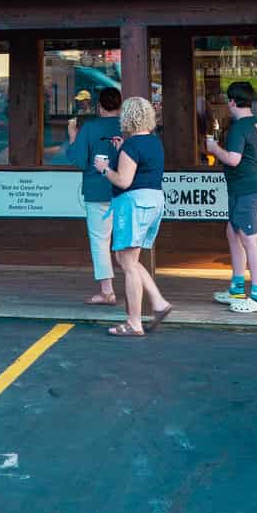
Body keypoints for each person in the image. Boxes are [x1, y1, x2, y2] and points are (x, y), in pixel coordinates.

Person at [96, 95, 172, 338]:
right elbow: (143, 168)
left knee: (128, 264)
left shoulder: (131, 145)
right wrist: (122, 152)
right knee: (127, 258)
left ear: (127, 117)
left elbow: (124, 180)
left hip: (133, 204)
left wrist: (105, 169)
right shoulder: (154, 142)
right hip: (154, 201)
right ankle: (158, 303)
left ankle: (134, 322)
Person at [206, 81, 257, 313]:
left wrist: (214, 149)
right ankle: (236, 288)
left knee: (249, 239)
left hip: (246, 189)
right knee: (233, 232)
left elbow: (233, 159)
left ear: (232, 101)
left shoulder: (239, 127)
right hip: (251, 185)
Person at [64, 86, 123, 304]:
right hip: (125, 190)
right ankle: (136, 284)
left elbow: (77, 160)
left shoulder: (89, 128)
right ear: (120, 105)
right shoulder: (127, 127)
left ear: (99, 107)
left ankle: (107, 290)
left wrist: (72, 137)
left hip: (97, 191)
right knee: (128, 241)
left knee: (100, 241)